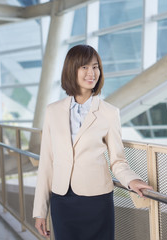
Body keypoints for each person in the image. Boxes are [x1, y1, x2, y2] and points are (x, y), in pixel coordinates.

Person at [32, 44, 152, 240]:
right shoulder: (52, 111)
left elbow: (117, 160)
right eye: (84, 67)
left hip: (96, 200)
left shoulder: (109, 113)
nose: (92, 73)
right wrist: (40, 211)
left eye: (95, 67)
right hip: (62, 201)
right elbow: (47, 162)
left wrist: (132, 180)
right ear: (72, 70)